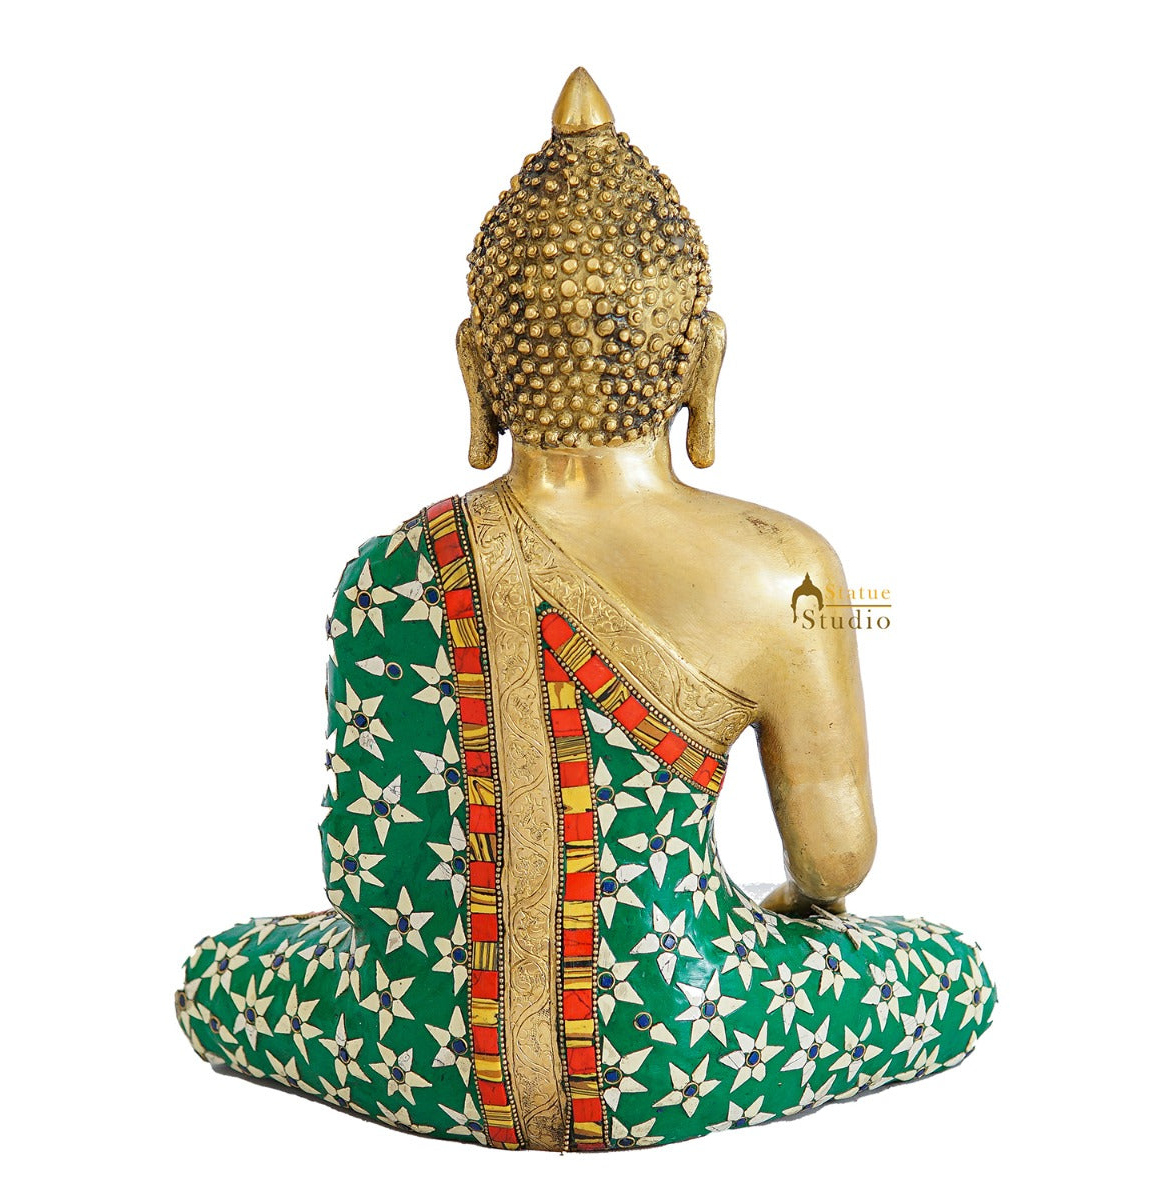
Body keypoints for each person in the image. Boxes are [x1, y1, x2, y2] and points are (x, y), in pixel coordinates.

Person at [176, 68, 994, 1151]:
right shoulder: (784, 567)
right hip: (696, 1037)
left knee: (216, 972)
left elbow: (359, 875)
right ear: (703, 359)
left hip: (414, 1045)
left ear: (476, 368)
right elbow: (835, 865)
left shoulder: (386, 571)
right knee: (954, 972)